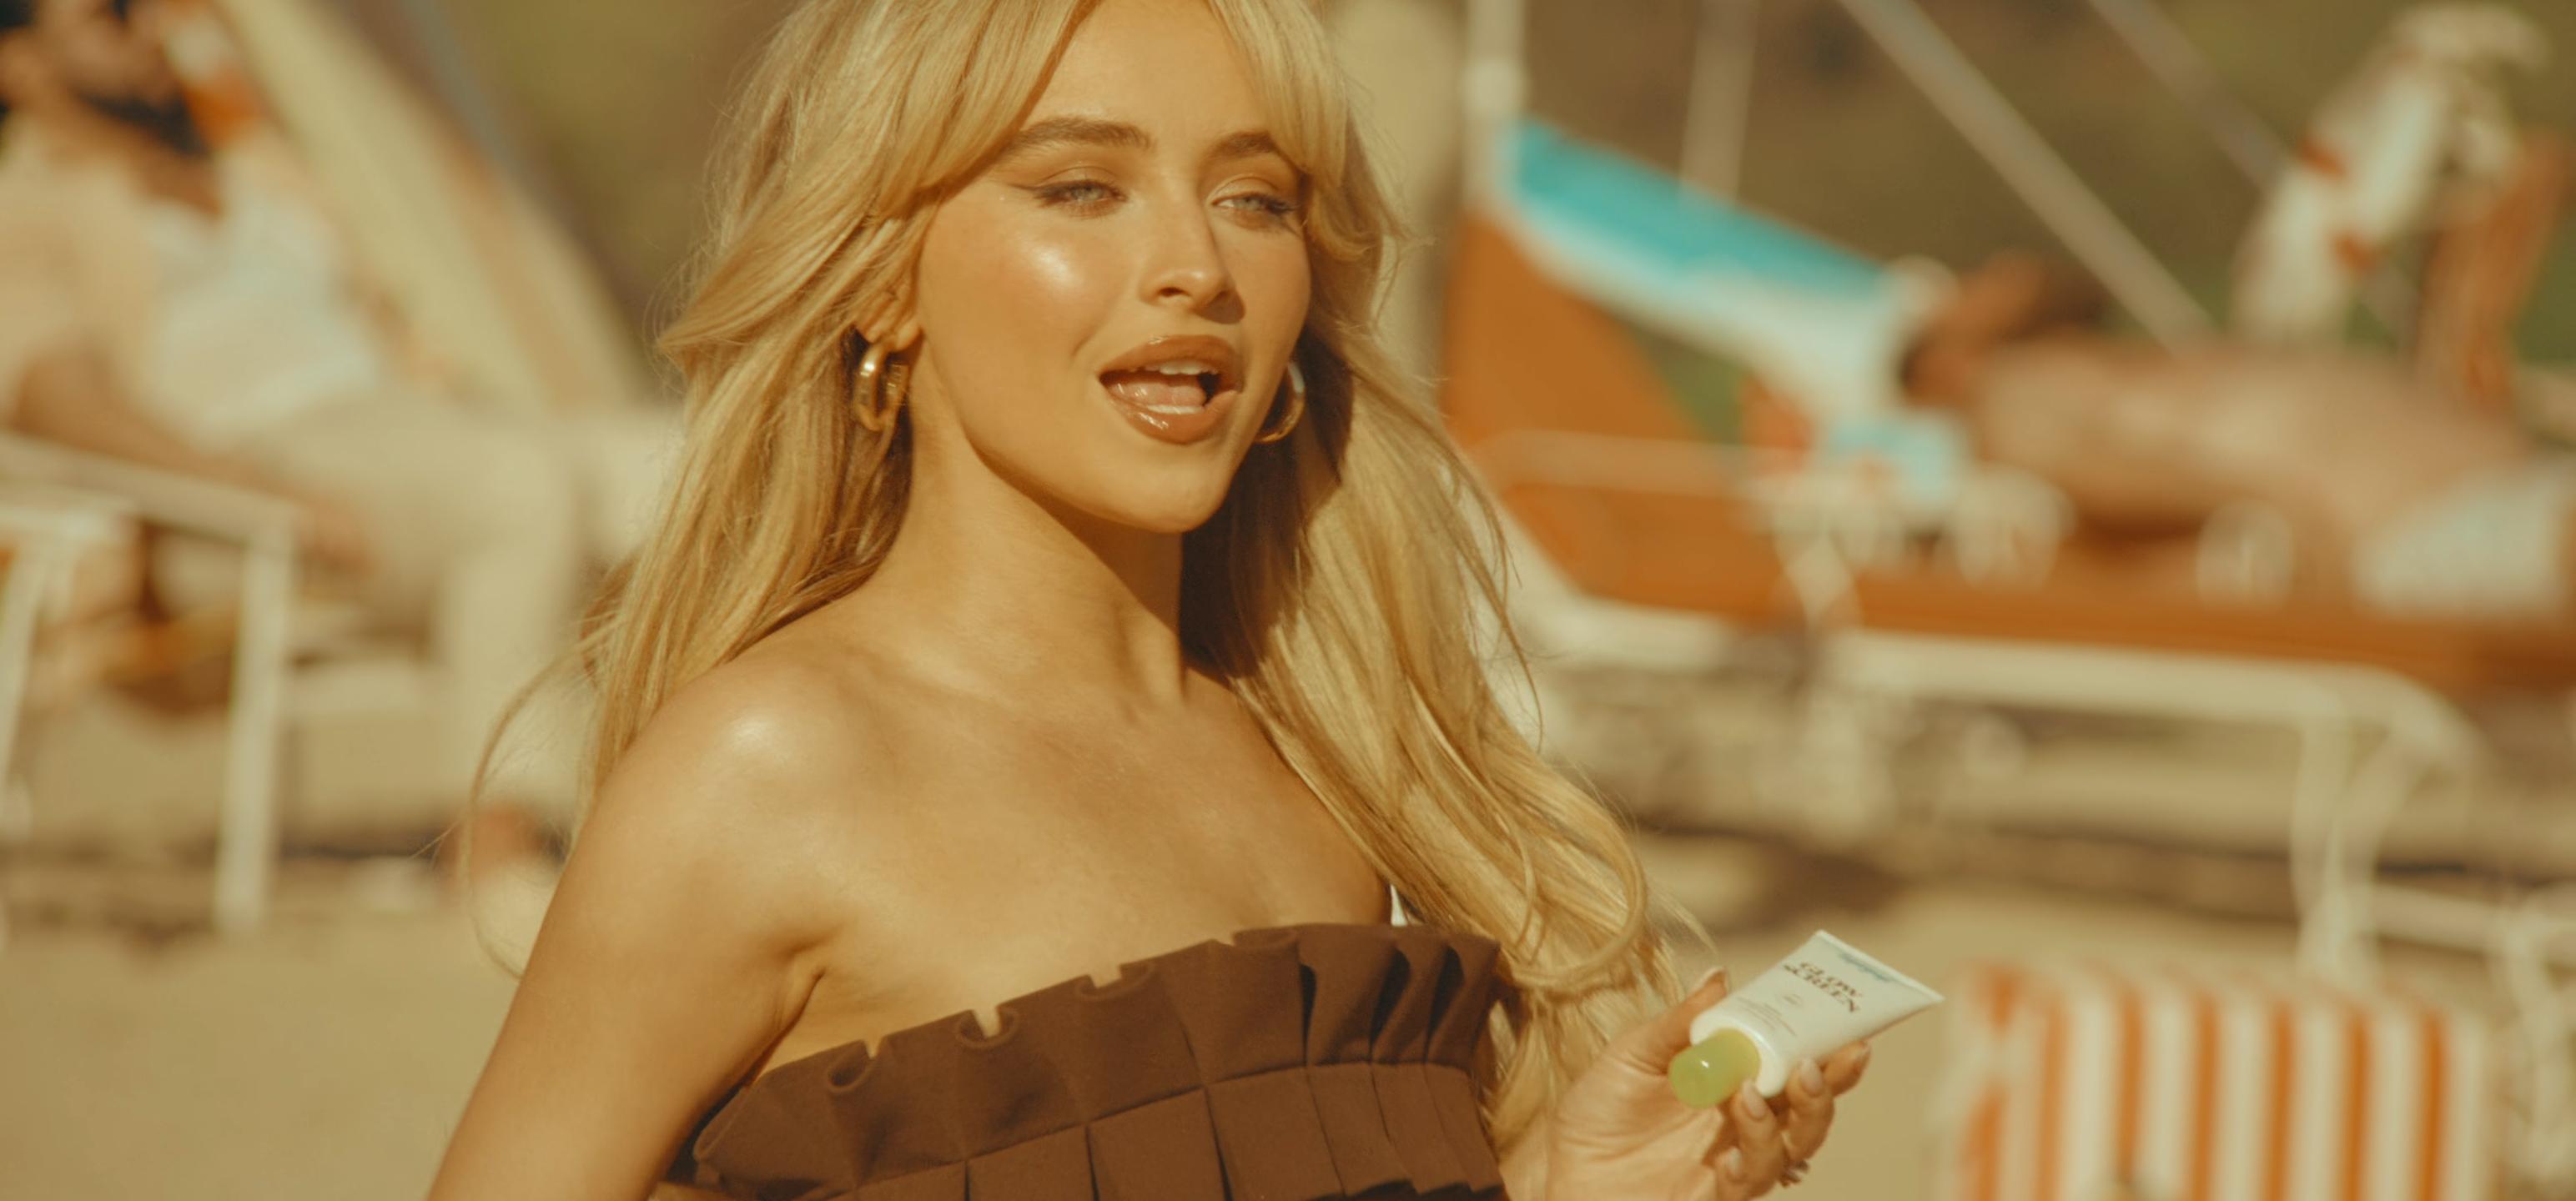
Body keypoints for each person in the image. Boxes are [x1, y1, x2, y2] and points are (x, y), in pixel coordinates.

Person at [427, 1, 1873, 1198]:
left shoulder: (1346, 774)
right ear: (884, 280)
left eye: (1256, 200)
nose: (1198, 269)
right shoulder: (768, 773)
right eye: (1079, 188)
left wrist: (1559, 1182)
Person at [0, 0, 674, 886]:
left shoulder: (254, 164)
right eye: (109, 15)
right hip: (237, 486)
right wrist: (255, 491)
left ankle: (719, 792)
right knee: (518, 489)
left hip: (412, 429)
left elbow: (395, 318)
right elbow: (58, 399)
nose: (149, 27)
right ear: (22, 66)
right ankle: (501, 839)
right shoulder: (30, 207)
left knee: (684, 462)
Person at [1905, 253, 2576, 618]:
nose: (1997, 267)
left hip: (2520, 494)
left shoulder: (2126, 358)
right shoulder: (2011, 387)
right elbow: (2071, 464)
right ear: (1945, 365)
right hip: (2415, 534)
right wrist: (2267, 499)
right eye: (1970, 282)